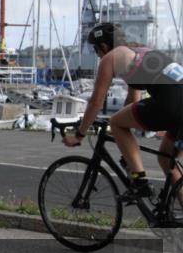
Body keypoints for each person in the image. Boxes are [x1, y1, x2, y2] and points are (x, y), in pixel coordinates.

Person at [63, 23, 183, 209]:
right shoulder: (139, 52)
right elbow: (133, 101)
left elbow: (96, 101)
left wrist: (79, 135)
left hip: (171, 105)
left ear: (103, 46)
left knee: (115, 122)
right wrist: (126, 146)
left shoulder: (110, 58)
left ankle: (140, 183)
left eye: (95, 50)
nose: (96, 54)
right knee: (166, 159)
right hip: (178, 104)